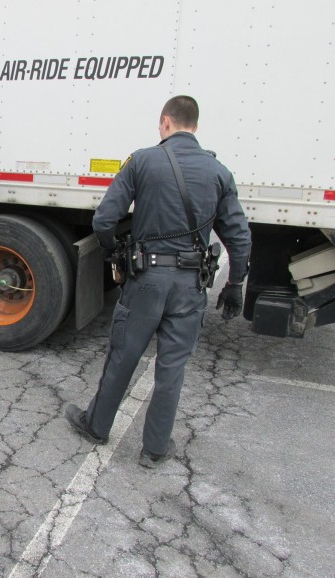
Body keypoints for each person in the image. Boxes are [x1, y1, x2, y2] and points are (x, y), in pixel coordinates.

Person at [65, 95, 251, 467]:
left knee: (123, 356)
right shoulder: (220, 172)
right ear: (194, 126)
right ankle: (154, 450)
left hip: (146, 279)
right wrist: (235, 285)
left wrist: (114, 250)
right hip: (191, 287)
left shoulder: (142, 160)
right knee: (171, 369)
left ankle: (97, 426)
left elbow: (104, 221)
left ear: (165, 121)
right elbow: (240, 237)